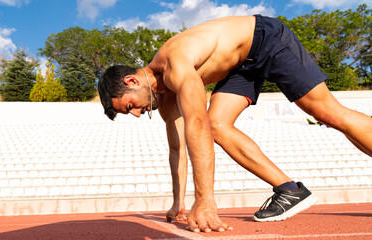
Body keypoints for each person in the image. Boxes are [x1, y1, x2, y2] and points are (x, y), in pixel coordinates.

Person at [97, 15, 372, 233]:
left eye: (130, 106)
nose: (136, 114)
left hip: (265, 38)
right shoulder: (165, 98)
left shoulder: (175, 63)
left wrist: (205, 199)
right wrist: (179, 201)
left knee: (327, 113)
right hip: (241, 64)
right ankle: (290, 191)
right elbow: (177, 148)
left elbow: (197, 122)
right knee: (219, 124)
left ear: (131, 81)